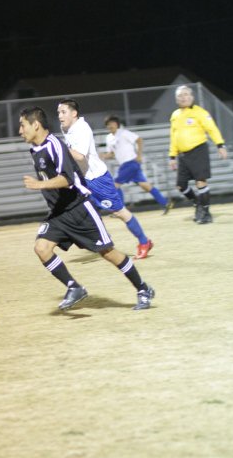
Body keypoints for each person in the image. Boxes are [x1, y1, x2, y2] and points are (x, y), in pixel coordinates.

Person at [19, 106, 155, 311]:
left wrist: (39, 184)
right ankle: (74, 287)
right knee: (41, 248)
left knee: (108, 252)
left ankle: (143, 288)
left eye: (22, 125)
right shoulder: (35, 149)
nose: (20, 131)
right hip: (59, 213)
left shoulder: (55, 145)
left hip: (79, 209)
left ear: (35, 125)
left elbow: (66, 179)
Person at [57, 98, 154, 259]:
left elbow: (80, 156)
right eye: (58, 112)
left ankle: (144, 242)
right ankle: (93, 240)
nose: (60, 115)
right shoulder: (65, 127)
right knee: (76, 210)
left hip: (97, 179)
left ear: (74, 113)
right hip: (83, 179)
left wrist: (60, 148)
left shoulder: (82, 129)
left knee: (120, 212)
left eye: (63, 112)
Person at [169, 85, 227, 224]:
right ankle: (197, 204)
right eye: (180, 95)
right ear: (177, 99)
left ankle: (206, 213)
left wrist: (220, 145)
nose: (183, 97)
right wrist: (172, 156)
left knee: (200, 182)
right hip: (182, 155)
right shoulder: (175, 115)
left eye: (186, 94)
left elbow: (212, 129)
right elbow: (173, 136)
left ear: (192, 97)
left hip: (198, 150)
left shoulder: (200, 112)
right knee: (181, 185)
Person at [102, 115, 173, 214]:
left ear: (117, 124)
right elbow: (112, 153)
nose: (111, 125)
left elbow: (139, 140)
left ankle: (121, 211)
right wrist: (103, 156)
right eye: (108, 124)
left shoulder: (123, 133)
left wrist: (139, 155)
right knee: (145, 186)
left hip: (130, 163)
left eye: (113, 123)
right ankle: (165, 203)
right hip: (126, 164)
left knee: (114, 185)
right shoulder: (109, 138)